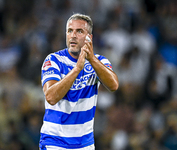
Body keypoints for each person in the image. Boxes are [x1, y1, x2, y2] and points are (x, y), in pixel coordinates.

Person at [39, 13, 119, 150]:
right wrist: (77, 69)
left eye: (79, 31)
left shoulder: (99, 62)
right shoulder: (53, 60)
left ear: (90, 37)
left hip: (85, 144)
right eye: (70, 31)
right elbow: (51, 97)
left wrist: (92, 59)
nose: (73, 35)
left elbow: (113, 85)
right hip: (55, 142)